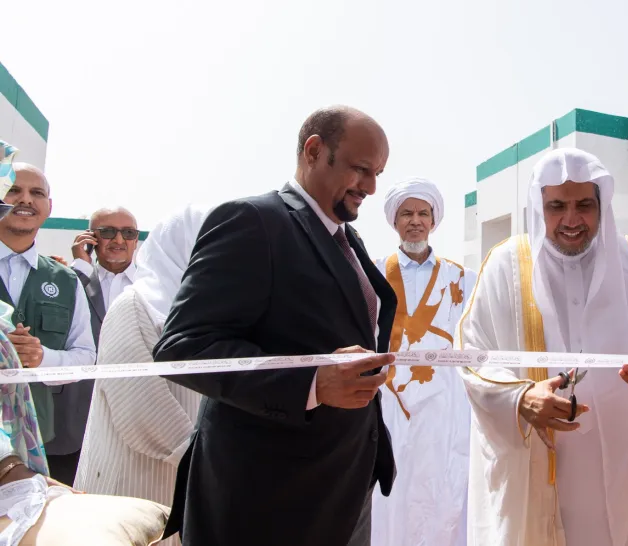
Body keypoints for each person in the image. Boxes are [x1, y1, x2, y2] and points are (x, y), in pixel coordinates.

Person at [153, 106, 398, 546]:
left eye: (378, 173)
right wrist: (312, 383)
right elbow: (182, 348)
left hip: (341, 487)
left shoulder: (347, 239)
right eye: (362, 170)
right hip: (268, 500)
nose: (372, 187)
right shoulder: (252, 222)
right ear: (314, 150)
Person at [458, 148, 628, 546]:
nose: (570, 219)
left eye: (584, 204)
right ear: (538, 206)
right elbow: (473, 353)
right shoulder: (506, 264)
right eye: (556, 206)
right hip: (543, 462)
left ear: (602, 205)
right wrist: (519, 397)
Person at [75, 205, 210, 534]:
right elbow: (142, 408)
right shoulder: (135, 306)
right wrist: (208, 461)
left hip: (188, 478)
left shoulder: (207, 313)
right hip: (134, 484)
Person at [372, 178, 476, 546]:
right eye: (406, 213)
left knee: (442, 491)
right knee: (388, 493)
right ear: (394, 221)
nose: (415, 220)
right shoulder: (370, 274)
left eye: (422, 213)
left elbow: (477, 338)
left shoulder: (462, 278)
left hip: (445, 405)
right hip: (386, 400)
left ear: (434, 221)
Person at [0, 163, 96, 485]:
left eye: (37, 193)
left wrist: (42, 358)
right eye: (14, 190)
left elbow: (85, 357)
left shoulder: (66, 281)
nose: (25, 199)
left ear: (49, 207)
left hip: (34, 446)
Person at [47, 206, 141, 486]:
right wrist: (80, 265)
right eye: (108, 232)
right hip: (73, 417)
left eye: (128, 233)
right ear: (90, 237)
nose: (119, 240)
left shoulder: (152, 285)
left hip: (131, 413)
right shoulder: (71, 278)